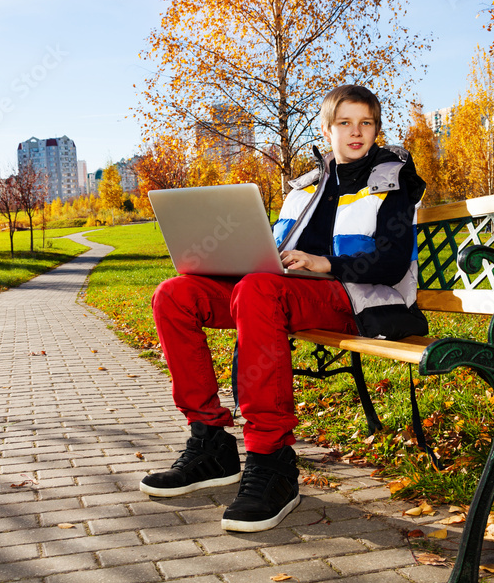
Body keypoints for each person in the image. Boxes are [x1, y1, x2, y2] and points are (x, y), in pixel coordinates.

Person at [140, 84, 428, 532]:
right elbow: (270, 253)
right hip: (284, 291)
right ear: (326, 129)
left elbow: (390, 264)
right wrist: (238, 264)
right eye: (345, 123)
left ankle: (271, 459)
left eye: (366, 123)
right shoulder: (304, 188)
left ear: (376, 129)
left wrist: (324, 263)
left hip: (356, 297)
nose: (356, 132)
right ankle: (210, 442)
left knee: (258, 291)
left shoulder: (393, 180)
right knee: (175, 295)